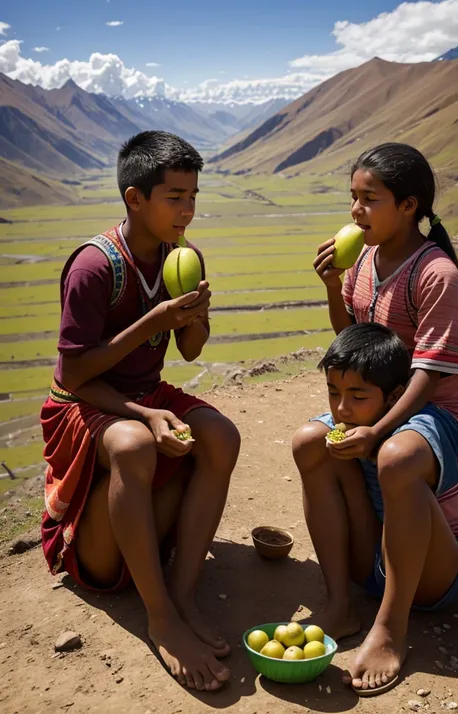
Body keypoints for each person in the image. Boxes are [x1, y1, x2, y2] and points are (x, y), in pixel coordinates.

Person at [40, 130, 241, 692]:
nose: (188, 211)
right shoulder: (94, 267)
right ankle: (160, 617)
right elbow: (76, 375)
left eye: (194, 197)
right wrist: (151, 334)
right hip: (86, 400)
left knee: (222, 436)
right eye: (175, 197)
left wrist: (196, 313)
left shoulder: (184, 256)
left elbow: (192, 350)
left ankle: (181, 593)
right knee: (132, 444)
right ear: (135, 198)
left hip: (144, 391)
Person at [292, 143, 458, 696]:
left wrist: (381, 430)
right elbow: (349, 344)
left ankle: (391, 630)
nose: (355, 211)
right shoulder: (363, 261)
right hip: (374, 409)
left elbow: (429, 373)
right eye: (353, 198)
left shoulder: (436, 272)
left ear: (408, 204)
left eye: (369, 199)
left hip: (428, 414)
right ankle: (342, 604)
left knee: (395, 456)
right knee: (308, 442)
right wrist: (332, 285)